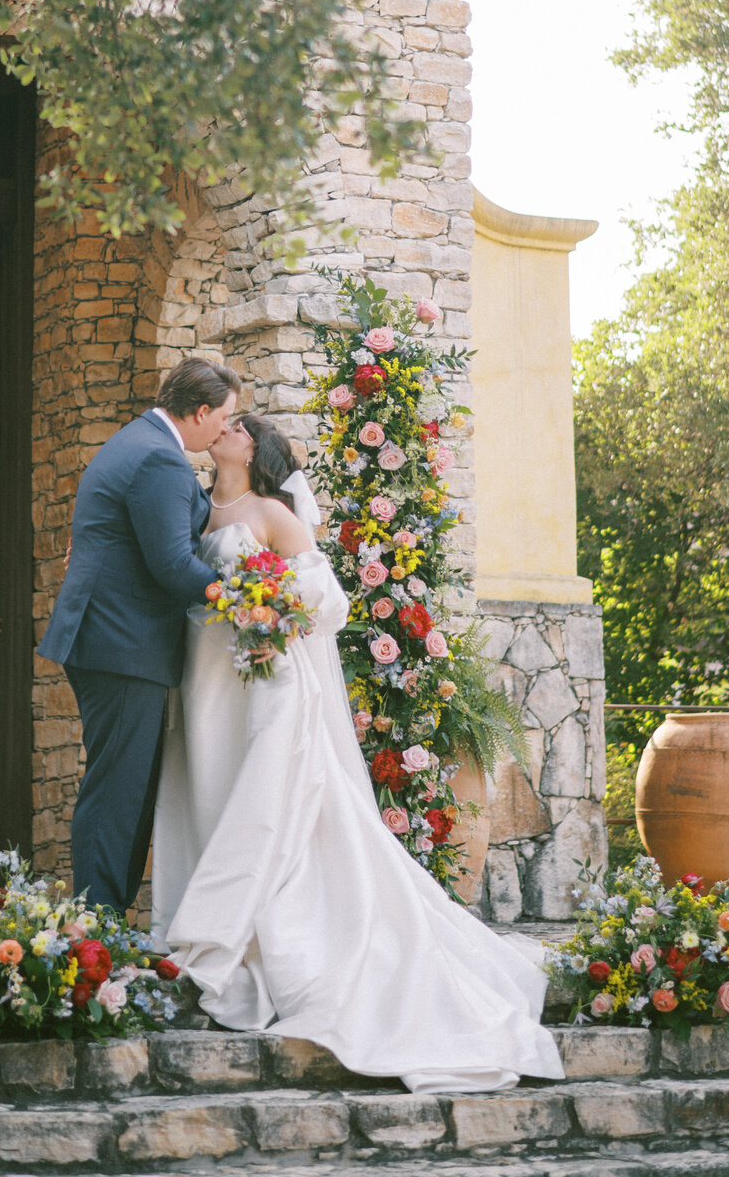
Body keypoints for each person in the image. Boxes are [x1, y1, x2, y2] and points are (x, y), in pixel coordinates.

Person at [151, 412, 565, 1093]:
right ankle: (230, 935)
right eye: (218, 422)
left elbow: (327, 600)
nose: (221, 429)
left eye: (234, 425)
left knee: (268, 809)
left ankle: (257, 941)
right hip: (205, 684)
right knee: (216, 796)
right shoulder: (201, 508)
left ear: (253, 447)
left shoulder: (272, 512)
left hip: (264, 682)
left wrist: (268, 611)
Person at [38, 356, 241, 912]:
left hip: (114, 639)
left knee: (126, 787)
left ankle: (102, 922)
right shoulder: (159, 460)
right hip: (122, 644)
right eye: (224, 417)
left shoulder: (139, 441)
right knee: (118, 792)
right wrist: (245, 597)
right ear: (199, 412)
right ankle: (95, 925)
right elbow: (173, 566)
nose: (226, 428)